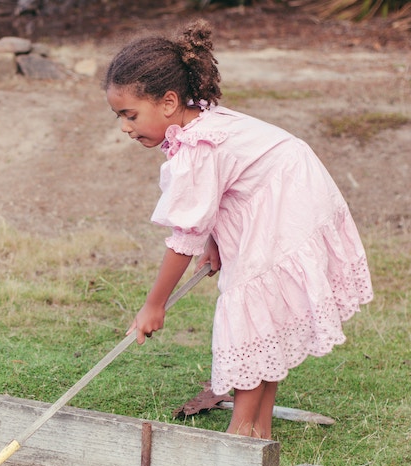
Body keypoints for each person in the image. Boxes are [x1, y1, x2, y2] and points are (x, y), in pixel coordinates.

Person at [104, 20, 373, 439]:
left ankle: (242, 431)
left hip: (287, 199)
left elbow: (184, 236)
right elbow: (214, 202)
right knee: (259, 313)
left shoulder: (196, 147)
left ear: (169, 102)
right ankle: (259, 431)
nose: (124, 126)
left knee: (249, 307)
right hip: (290, 186)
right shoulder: (199, 126)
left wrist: (153, 305)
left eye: (130, 114)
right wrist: (216, 244)